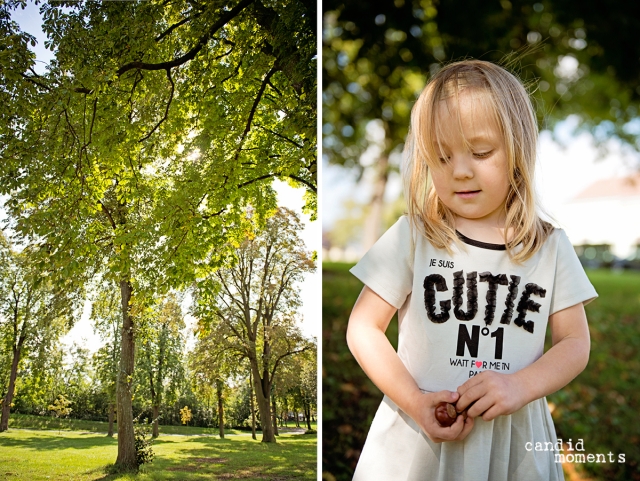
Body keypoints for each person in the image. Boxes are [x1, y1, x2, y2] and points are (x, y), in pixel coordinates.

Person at [346, 59, 597, 481]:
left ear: (518, 150)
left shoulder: (549, 247)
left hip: (513, 445)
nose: (460, 170)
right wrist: (413, 400)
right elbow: (363, 328)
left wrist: (519, 387)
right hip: (420, 439)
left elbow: (575, 343)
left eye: (480, 152)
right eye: (442, 156)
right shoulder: (414, 236)